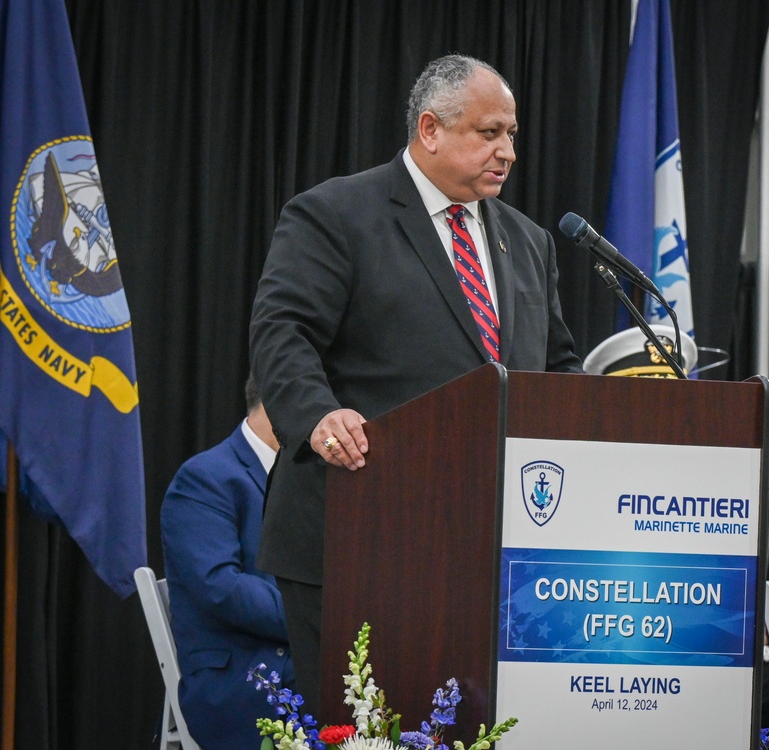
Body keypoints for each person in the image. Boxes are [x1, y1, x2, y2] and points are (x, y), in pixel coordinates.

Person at [249, 53, 583, 714]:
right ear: (430, 129)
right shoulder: (338, 214)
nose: (508, 151)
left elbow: (557, 366)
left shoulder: (530, 241)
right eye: (489, 133)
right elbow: (282, 329)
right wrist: (317, 416)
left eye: (511, 134)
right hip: (356, 529)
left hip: (488, 547)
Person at [160, 376, 294, 750]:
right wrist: (319, 617)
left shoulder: (313, 480)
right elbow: (220, 586)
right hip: (239, 679)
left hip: (306, 658)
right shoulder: (205, 477)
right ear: (280, 400)